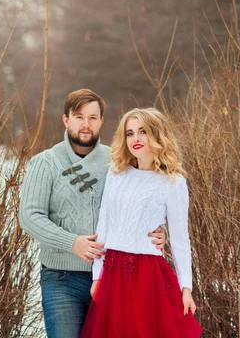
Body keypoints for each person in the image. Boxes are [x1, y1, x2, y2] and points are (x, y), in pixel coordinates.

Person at [19, 89, 167, 338]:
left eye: (93, 117)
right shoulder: (45, 163)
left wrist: (157, 231)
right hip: (61, 278)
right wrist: (72, 242)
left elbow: (143, 204)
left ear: (101, 121)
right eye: (79, 117)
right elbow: (30, 216)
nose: (86, 125)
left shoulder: (120, 162)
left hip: (115, 276)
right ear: (66, 120)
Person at [81, 107, 202, 338]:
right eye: (129, 133)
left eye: (142, 131)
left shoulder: (173, 183)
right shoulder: (117, 174)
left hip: (147, 276)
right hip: (112, 275)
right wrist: (97, 277)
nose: (135, 139)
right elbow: (103, 229)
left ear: (156, 134)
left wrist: (186, 288)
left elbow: (179, 240)